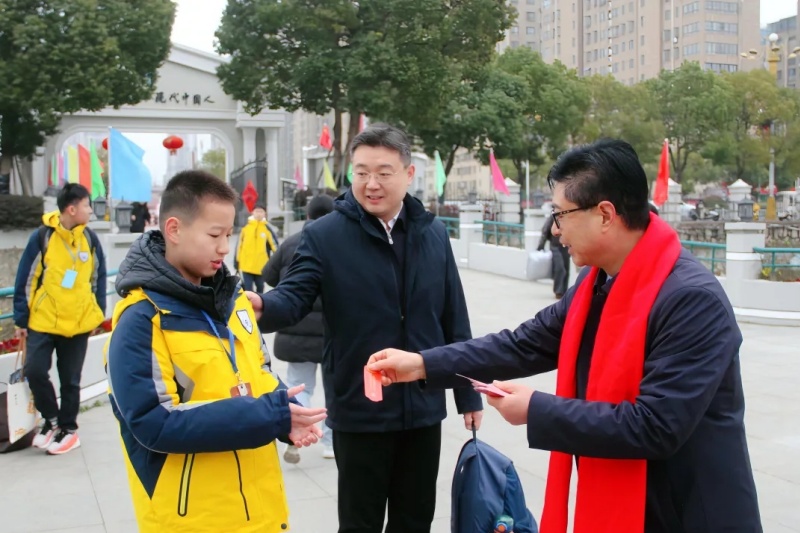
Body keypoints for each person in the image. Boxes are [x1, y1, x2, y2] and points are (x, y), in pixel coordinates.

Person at [367, 139, 762, 533]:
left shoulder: (691, 300)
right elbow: (522, 344)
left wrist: (536, 409)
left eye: (560, 214)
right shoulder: (596, 283)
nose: (555, 230)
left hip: (688, 513)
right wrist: (422, 364)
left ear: (605, 214)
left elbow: (655, 426)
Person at [247, 123, 483, 533]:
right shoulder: (324, 236)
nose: (371, 184)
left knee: (415, 520)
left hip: (423, 407)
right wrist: (263, 305)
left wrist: (467, 394)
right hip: (360, 408)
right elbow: (293, 298)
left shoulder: (432, 233)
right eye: (361, 173)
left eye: (383, 173)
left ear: (409, 174)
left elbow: (454, 319)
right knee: (360, 523)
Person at [104, 170, 327, 532]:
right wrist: (266, 416)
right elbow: (152, 422)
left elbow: (260, 371)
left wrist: (287, 412)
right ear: (174, 229)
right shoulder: (141, 319)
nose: (225, 248)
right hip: (192, 520)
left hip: (263, 513)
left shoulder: (235, 301)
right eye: (214, 235)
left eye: (228, 234)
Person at [12, 183, 106, 455]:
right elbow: (26, 279)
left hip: (78, 323)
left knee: (70, 381)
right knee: (35, 371)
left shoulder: (90, 239)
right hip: (43, 321)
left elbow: (98, 278)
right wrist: (21, 319)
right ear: (71, 209)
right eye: (87, 205)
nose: (90, 211)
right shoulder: (43, 236)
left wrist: (96, 313)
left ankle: (68, 430)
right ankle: (51, 420)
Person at [264, 193, 336, 463]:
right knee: (333, 392)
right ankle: (329, 444)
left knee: (299, 387)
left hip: (295, 329)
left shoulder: (292, 242)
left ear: (307, 215)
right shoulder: (339, 242)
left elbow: (269, 275)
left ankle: (295, 434)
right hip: (331, 334)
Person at [235, 202, 277, 292]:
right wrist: (236, 261)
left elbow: (275, 246)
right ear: (252, 212)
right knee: (248, 290)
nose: (259, 214)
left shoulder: (267, 229)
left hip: (261, 266)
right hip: (246, 265)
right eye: (257, 211)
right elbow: (239, 245)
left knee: (260, 288)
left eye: (261, 211)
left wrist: (277, 262)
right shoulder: (245, 228)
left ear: (265, 213)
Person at [537, 207, 570, 299]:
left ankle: (564, 291)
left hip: (565, 246)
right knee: (560, 268)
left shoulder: (568, 216)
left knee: (566, 269)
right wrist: (541, 245)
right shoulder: (553, 216)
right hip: (555, 246)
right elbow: (545, 230)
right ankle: (558, 291)